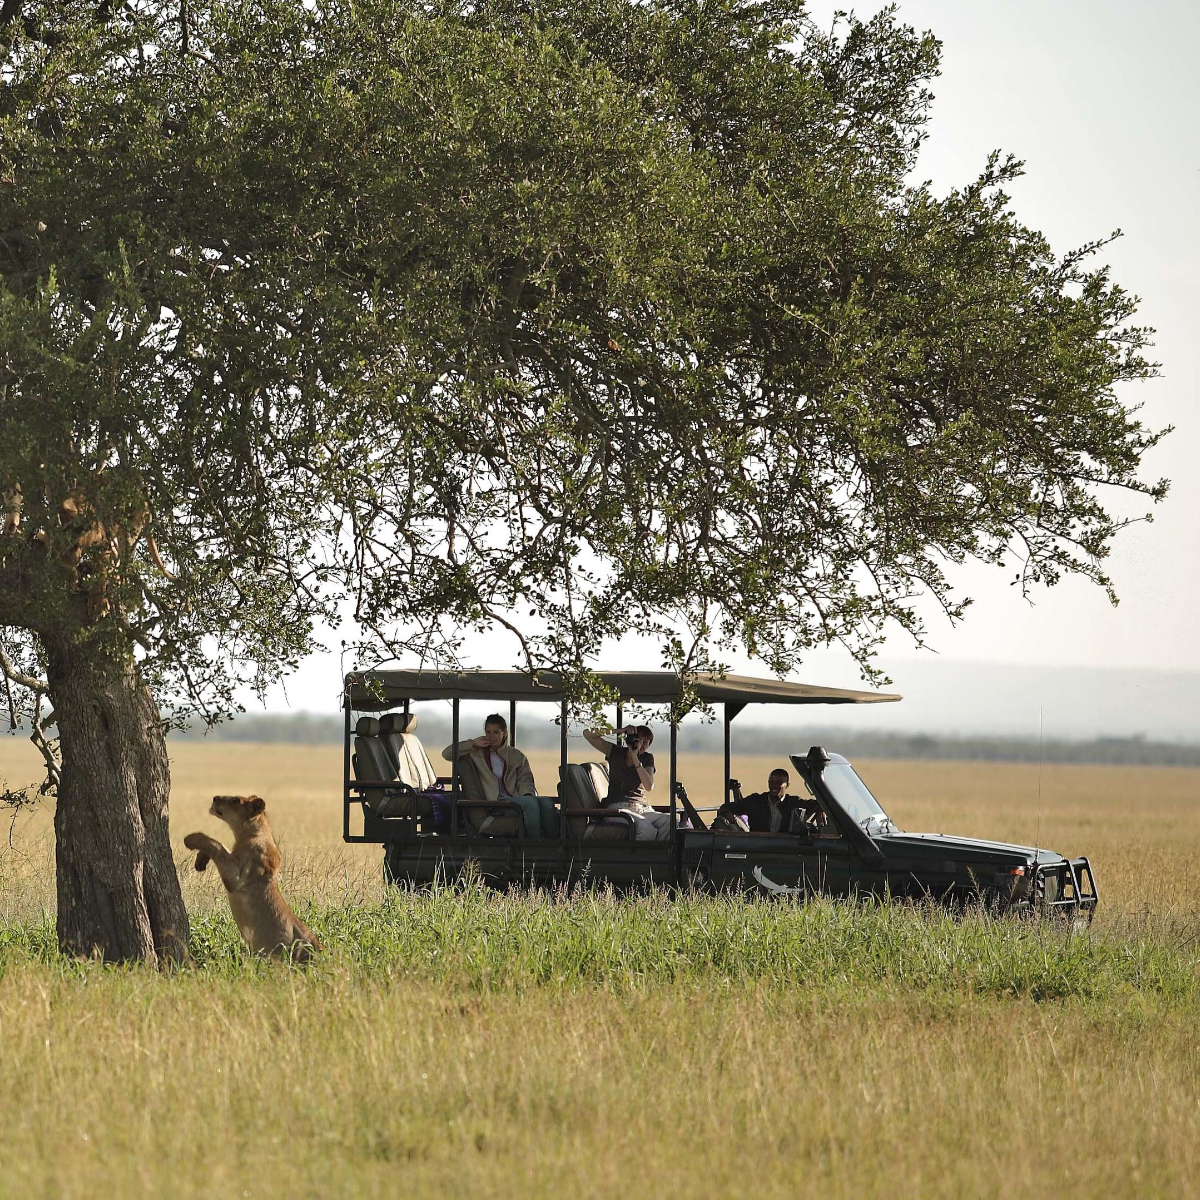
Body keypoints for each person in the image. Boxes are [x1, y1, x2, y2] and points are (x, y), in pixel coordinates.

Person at [442, 714, 556, 839]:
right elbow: (447, 753)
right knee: (530, 804)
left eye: (496, 732)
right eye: (488, 732)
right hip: (495, 802)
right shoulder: (476, 752)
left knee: (546, 802)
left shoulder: (516, 756)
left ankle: (554, 843)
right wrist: (473, 743)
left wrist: (527, 795)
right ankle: (535, 846)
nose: (491, 736)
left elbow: (526, 780)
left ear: (504, 733)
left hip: (516, 799)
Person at [582, 724, 672, 842]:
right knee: (646, 828)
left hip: (642, 808)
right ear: (631, 739)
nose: (642, 746)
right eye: (640, 740)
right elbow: (587, 734)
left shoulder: (647, 758)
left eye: (647, 743)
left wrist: (635, 757)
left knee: (670, 822)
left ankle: (660, 857)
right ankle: (641, 858)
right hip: (618, 808)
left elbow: (649, 786)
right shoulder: (615, 752)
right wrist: (621, 731)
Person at [718, 768, 825, 834]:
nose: (774, 785)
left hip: (785, 849)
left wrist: (821, 811)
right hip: (758, 847)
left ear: (787, 785)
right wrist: (729, 814)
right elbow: (726, 807)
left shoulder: (794, 803)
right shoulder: (756, 801)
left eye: (779, 782)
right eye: (772, 782)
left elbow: (821, 804)